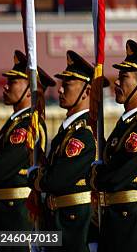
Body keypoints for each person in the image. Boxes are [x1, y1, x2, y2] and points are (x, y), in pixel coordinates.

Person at [28, 50, 106, 251]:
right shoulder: (69, 131)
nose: (60, 90)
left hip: (74, 226)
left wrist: (35, 176)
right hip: (58, 221)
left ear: (87, 91)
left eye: (67, 85)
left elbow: (56, 180)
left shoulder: (84, 133)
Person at [87, 39, 137, 252]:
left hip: (132, 219)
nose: (117, 83)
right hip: (116, 219)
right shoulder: (125, 126)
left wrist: (96, 176)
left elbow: (118, 176)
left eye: (124, 78)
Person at [0, 50, 54, 252]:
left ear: (29, 89)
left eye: (14, 81)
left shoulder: (27, 127)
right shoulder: (14, 124)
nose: (6, 86)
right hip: (3, 214)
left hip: (15, 214)